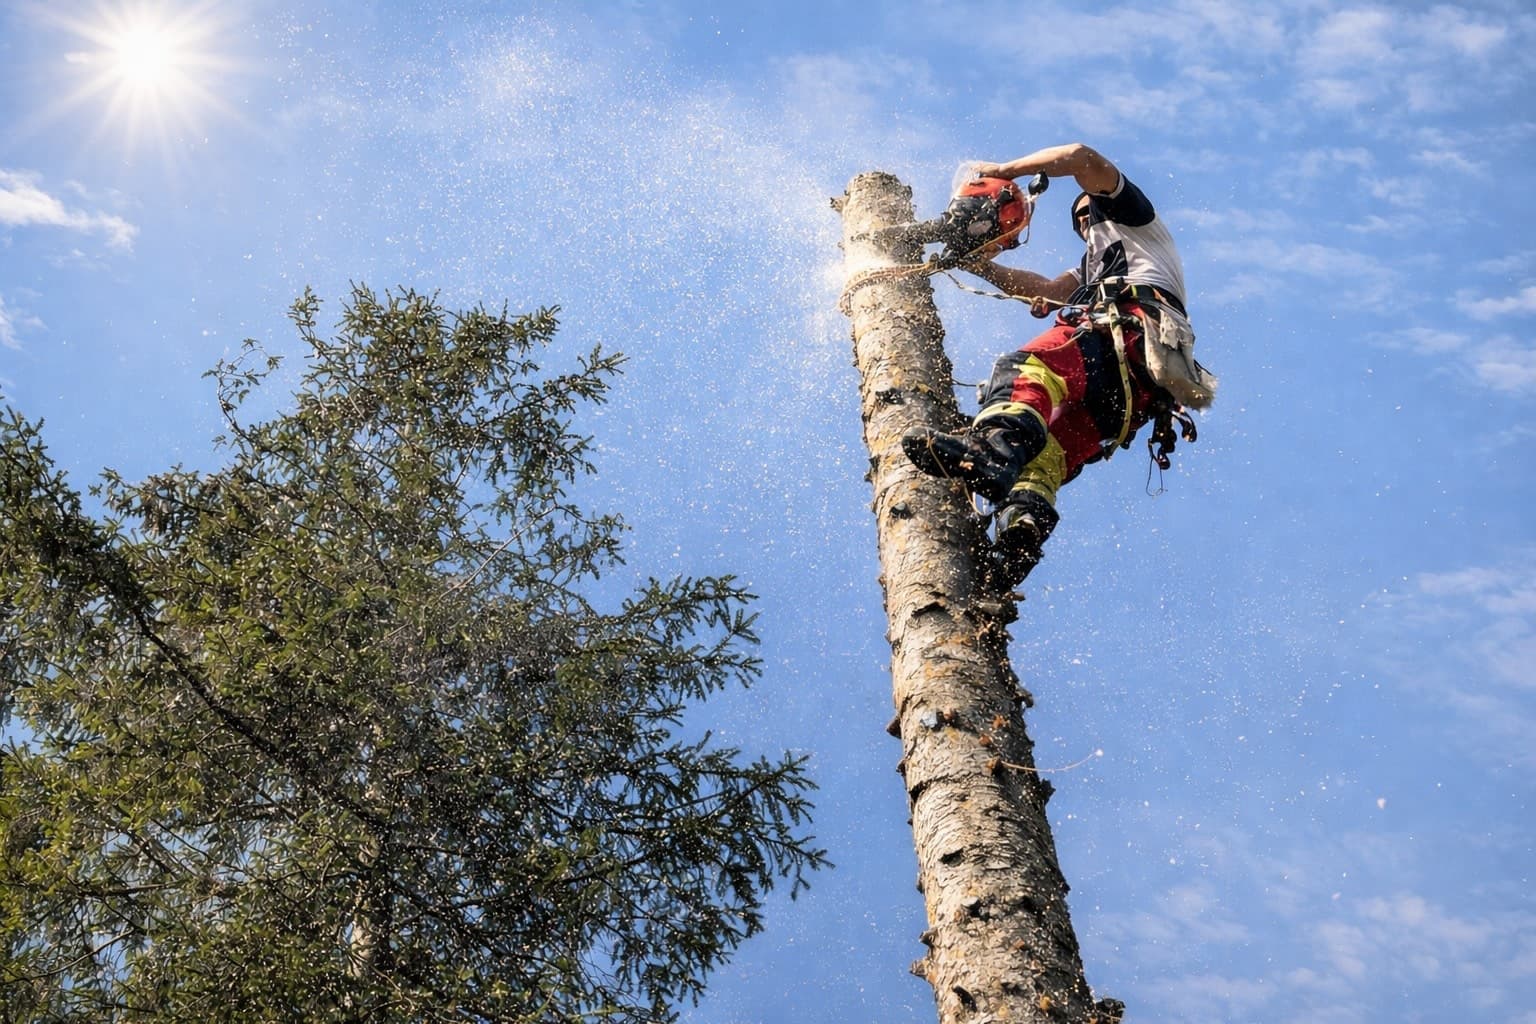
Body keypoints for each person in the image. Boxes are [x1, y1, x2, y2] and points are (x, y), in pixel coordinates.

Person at [902, 142, 1201, 592]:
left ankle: (992, 450)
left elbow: (1082, 157)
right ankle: (1020, 537)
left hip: (1130, 333)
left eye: (1088, 207)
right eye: (1077, 218)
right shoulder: (1095, 268)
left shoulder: (1134, 222)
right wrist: (976, 264)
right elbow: (1044, 289)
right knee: (1046, 457)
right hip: (1134, 396)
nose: (1084, 218)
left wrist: (1003, 169)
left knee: (1027, 370)